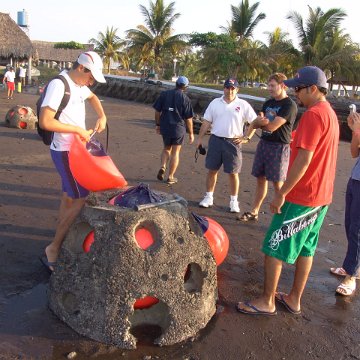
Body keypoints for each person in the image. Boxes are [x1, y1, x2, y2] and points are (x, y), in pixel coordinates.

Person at [236, 66, 339, 315]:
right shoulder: (329, 113)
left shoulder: (315, 114)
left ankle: (267, 301)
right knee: (306, 248)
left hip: (303, 195)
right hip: (321, 195)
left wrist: (282, 193)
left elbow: (304, 160)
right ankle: (294, 298)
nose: (295, 92)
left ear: (313, 89)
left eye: (299, 88)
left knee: (274, 246)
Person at [39, 51, 107, 272]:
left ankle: (63, 235)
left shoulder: (79, 85)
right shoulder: (60, 85)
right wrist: (77, 129)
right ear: (81, 68)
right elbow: (46, 121)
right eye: (91, 78)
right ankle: (54, 248)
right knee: (80, 198)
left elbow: (93, 98)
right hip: (66, 151)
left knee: (69, 196)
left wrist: (102, 116)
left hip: (76, 149)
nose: (92, 82)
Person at [238, 73, 298, 222]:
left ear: (283, 85)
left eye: (272, 85)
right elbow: (258, 122)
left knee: (278, 184)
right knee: (260, 179)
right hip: (264, 144)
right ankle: (254, 211)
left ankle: (282, 217)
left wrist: (257, 124)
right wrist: (248, 134)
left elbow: (271, 126)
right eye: (268, 85)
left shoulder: (289, 105)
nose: (269, 88)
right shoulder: (268, 103)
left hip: (279, 147)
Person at [197, 78, 258, 213]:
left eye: (232, 88)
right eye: (227, 88)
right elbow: (207, 121)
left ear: (237, 89)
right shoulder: (215, 103)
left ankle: (234, 201)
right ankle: (208, 197)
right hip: (216, 140)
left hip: (233, 143)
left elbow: (254, 122)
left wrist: (246, 137)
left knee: (233, 173)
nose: (229, 91)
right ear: (223, 88)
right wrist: (200, 139)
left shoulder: (243, 104)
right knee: (212, 170)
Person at [330, 111, 360, 295]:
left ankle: (351, 275)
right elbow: (354, 152)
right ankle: (351, 265)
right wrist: (355, 132)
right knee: (350, 225)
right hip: (355, 179)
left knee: (357, 229)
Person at [153, 76, 194, 184]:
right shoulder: (185, 99)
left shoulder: (164, 94)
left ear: (176, 84)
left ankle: (163, 166)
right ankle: (170, 177)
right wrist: (191, 133)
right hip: (178, 128)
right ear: (185, 87)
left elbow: (157, 112)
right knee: (175, 152)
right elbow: (189, 119)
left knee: (166, 148)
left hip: (165, 126)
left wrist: (158, 124)